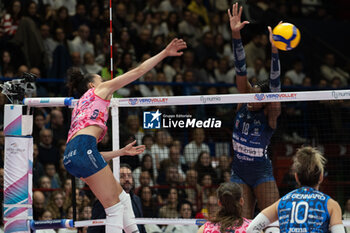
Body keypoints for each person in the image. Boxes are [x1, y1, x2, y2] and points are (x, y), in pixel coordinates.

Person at [63, 38, 186, 233]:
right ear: (91, 86)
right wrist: (164, 53)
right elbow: (137, 72)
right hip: (82, 150)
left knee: (123, 197)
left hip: (71, 156)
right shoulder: (99, 90)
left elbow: (88, 155)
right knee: (114, 208)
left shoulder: (78, 106)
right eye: (101, 80)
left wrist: (121, 152)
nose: (105, 83)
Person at [228, 3, 281, 219]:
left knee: (274, 222)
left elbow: (276, 88)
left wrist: (275, 50)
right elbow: (240, 69)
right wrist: (235, 35)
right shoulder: (244, 100)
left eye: (257, 96)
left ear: (266, 101)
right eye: (252, 92)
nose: (252, 98)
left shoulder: (271, 114)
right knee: (242, 223)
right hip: (239, 172)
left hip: (262, 173)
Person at [247, 146, 345, 233]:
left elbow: (251, 229)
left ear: (296, 177)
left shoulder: (282, 202)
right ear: (321, 177)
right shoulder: (330, 205)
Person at [87, 164, 146, 233]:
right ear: (114, 179)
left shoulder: (136, 200)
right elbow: (93, 229)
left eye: (129, 176)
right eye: (122, 176)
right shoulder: (103, 201)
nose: (127, 179)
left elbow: (141, 226)